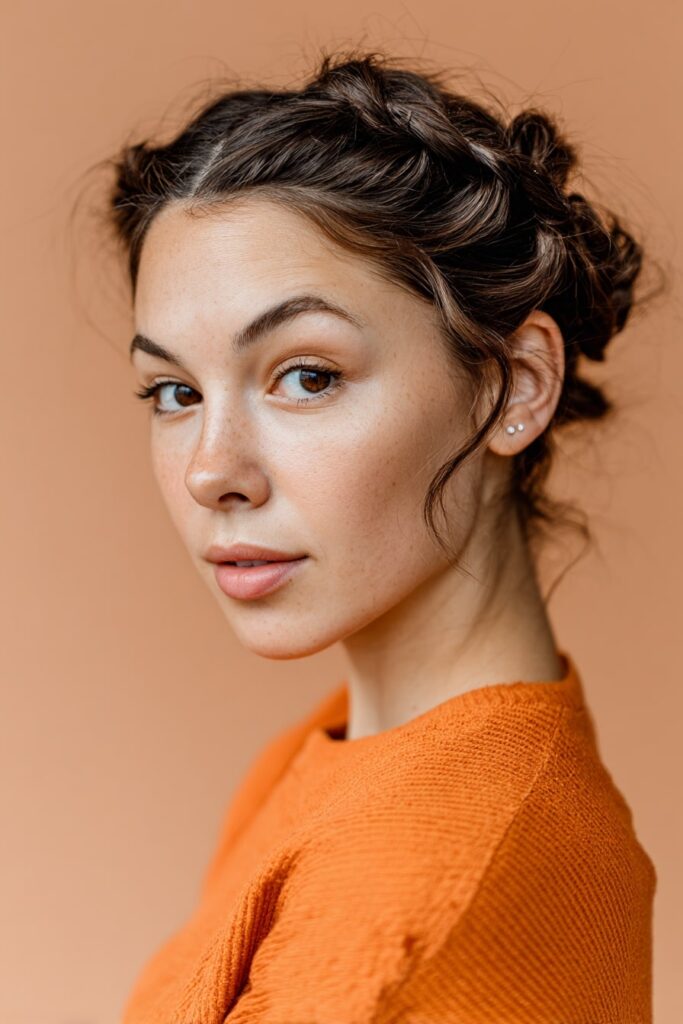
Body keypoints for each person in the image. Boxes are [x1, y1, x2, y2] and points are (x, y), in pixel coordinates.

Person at [109, 47, 657, 1023]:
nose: (208, 469)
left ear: (511, 386)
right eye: (174, 391)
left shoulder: (446, 886)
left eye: (306, 375)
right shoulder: (319, 762)